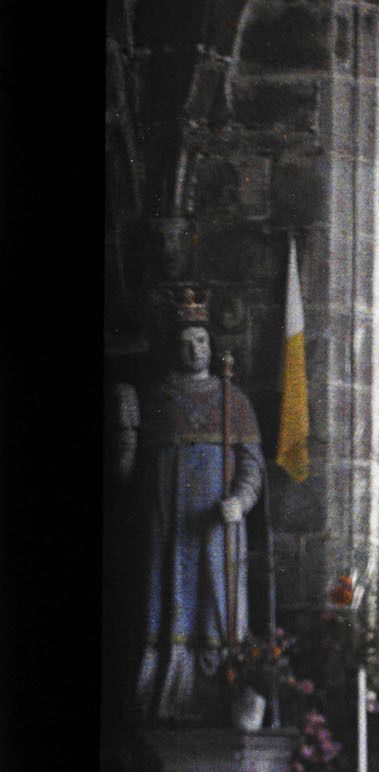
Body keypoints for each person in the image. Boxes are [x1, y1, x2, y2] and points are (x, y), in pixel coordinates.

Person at [120, 289, 264, 719]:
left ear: (211, 345)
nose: (193, 349)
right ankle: (165, 695)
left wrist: (240, 500)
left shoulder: (233, 402)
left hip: (217, 526)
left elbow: (251, 466)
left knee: (218, 604)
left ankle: (219, 695)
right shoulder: (157, 397)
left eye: (200, 341)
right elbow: (130, 468)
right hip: (168, 525)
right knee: (167, 600)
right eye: (185, 342)